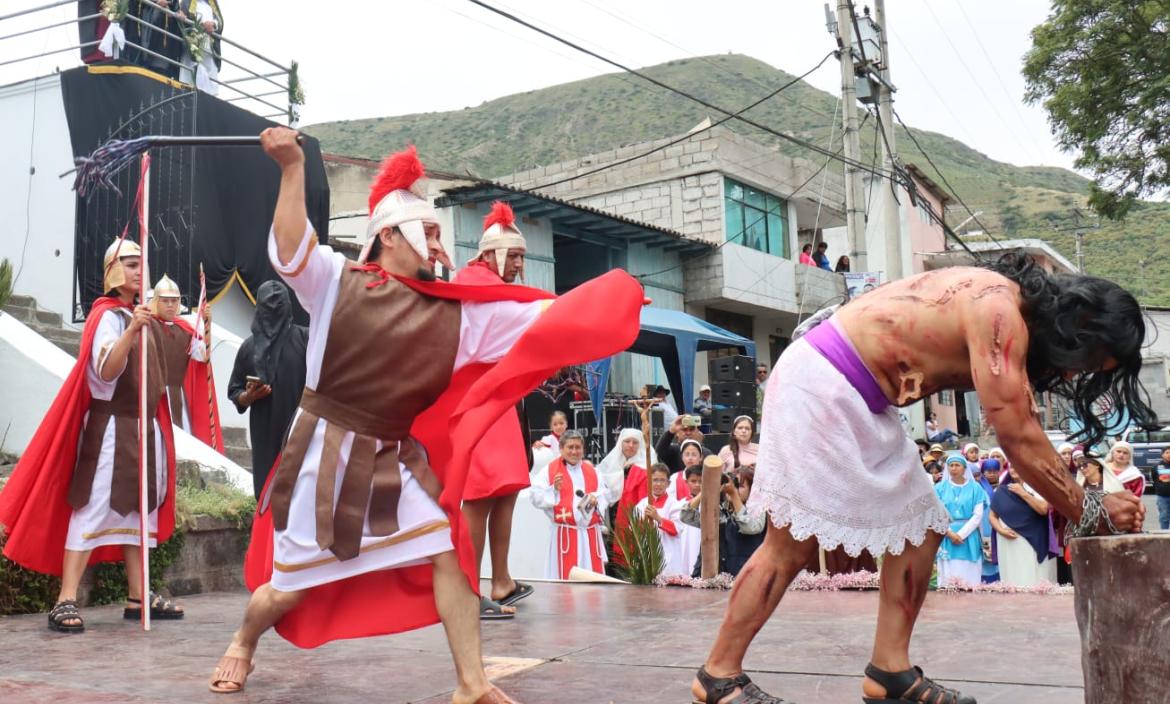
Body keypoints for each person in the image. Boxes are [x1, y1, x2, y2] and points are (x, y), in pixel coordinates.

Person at [213, 129, 642, 701]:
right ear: (388, 235)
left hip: (394, 459)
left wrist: (615, 300)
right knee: (289, 589)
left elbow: (547, 319)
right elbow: (289, 249)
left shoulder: (460, 318)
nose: (441, 247)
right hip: (325, 458)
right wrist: (291, 168)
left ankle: (472, 683)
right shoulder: (335, 280)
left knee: (448, 554)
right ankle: (243, 640)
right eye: (431, 232)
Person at [691, 254, 1150, 704]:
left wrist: (1087, 500)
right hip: (824, 380)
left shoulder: (1006, 310)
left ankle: (888, 670)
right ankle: (718, 676)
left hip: (861, 394)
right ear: (1078, 328)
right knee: (789, 545)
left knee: (923, 527)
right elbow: (1017, 435)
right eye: (1085, 361)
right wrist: (1091, 508)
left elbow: (1024, 425)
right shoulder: (998, 312)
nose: (1073, 373)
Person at [0, 238, 184, 633]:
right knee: (91, 508)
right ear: (115, 271)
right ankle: (65, 597)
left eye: (141, 265)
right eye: (131, 265)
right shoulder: (107, 317)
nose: (139, 271)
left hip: (143, 430)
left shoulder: (142, 316)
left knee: (140, 512)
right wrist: (131, 330)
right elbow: (105, 371)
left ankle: (138, 595)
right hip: (110, 430)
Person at [456, 201, 534, 619]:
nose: (520, 263)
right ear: (490, 255)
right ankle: (467, 591)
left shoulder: (501, 289)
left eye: (522, 256)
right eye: (515, 255)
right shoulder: (475, 282)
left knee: (506, 491)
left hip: (502, 400)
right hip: (477, 398)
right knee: (480, 497)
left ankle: (501, 581)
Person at [227, 280, 309, 499]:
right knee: (266, 495)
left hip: (301, 433)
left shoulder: (306, 340)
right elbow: (235, 392)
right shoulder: (249, 348)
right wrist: (248, 396)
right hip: (265, 433)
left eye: (277, 306)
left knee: (300, 495)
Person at [150, 274, 223, 452]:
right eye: (165, 301)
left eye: (174, 301)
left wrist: (207, 325)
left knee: (180, 443)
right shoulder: (147, 327)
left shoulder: (186, 330)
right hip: (152, 394)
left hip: (177, 395)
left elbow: (203, 356)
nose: (170, 305)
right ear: (156, 302)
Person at [529, 430, 608, 580]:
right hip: (565, 535)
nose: (574, 451)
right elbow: (535, 496)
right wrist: (553, 490)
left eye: (578, 447)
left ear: (583, 449)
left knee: (593, 583)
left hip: (590, 534)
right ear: (561, 449)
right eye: (570, 447)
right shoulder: (549, 471)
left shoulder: (593, 470)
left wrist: (595, 498)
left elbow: (605, 493)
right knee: (564, 581)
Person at [680, 463, 766, 577]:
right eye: (733, 484)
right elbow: (686, 516)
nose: (734, 488)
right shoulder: (721, 510)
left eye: (739, 486)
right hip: (720, 577)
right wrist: (706, 490)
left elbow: (751, 527)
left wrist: (734, 496)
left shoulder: (758, 510)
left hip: (747, 576)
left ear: (752, 489)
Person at [990, 464, 1057, 587]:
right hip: (1006, 540)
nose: (1014, 469)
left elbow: (1043, 509)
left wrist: (1023, 493)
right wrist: (1001, 530)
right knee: (1011, 577)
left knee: (1029, 576)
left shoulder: (1037, 489)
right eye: (1011, 466)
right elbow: (992, 516)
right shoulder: (1002, 490)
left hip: (1029, 540)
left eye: (1017, 465)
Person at [933, 454, 988, 588]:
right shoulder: (939, 488)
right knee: (948, 575)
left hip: (969, 536)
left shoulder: (976, 488)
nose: (953, 468)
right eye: (951, 465)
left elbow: (977, 515)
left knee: (969, 575)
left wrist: (961, 534)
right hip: (946, 536)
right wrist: (949, 533)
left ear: (964, 468)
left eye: (957, 465)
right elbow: (935, 513)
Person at [634, 464, 685, 576]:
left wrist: (657, 518)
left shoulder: (675, 504)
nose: (658, 484)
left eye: (662, 480)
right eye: (655, 480)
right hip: (647, 555)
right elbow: (634, 530)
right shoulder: (641, 504)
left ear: (668, 484)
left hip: (669, 556)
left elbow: (677, 529)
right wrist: (643, 521)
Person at [178, 1, 223, 94]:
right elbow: (182, 17)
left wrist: (213, 24)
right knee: (188, 80)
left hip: (210, 49)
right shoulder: (187, 2)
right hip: (192, 48)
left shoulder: (212, 3)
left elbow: (220, 22)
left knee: (211, 86)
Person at [530, 410, 567, 480]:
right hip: (554, 472)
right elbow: (537, 448)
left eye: (561, 423)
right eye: (555, 424)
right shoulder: (549, 439)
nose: (559, 427)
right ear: (551, 427)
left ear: (566, 424)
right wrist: (537, 443)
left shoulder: (570, 438)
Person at [1155, 447, 1170, 530]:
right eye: (1167, 453)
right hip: (1163, 497)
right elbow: (1154, 479)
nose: (1169, 455)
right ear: (1162, 455)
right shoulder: (1157, 466)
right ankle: (1164, 536)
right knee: (1164, 518)